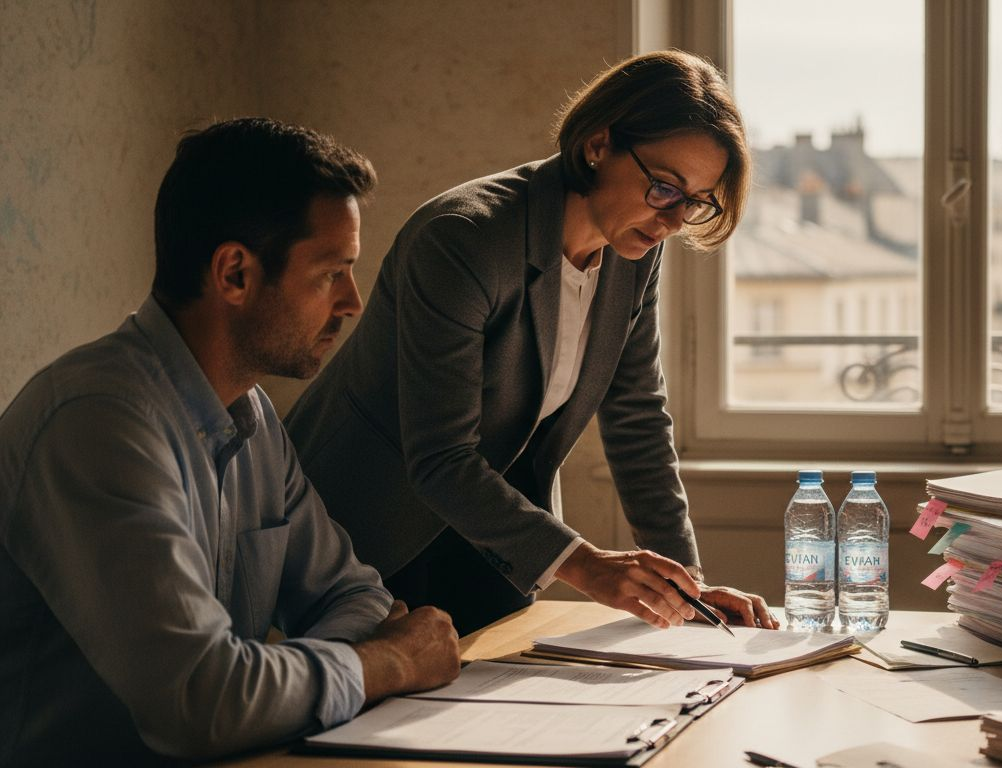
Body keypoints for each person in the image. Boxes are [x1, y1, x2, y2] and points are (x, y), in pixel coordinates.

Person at [0, 118, 460, 766]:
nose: (352, 301)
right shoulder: (96, 425)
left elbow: (354, 599)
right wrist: (385, 665)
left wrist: (264, 688)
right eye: (331, 273)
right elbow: (200, 703)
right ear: (235, 274)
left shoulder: (252, 415)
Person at [285, 51, 779, 636]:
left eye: (695, 201)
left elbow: (637, 417)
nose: (673, 221)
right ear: (598, 145)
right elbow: (441, 457)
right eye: (665, 188)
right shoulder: (462, 239)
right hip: (369, 525)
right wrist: (589, 566)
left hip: (495, 533)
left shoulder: (635, 249)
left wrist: (686, 589)